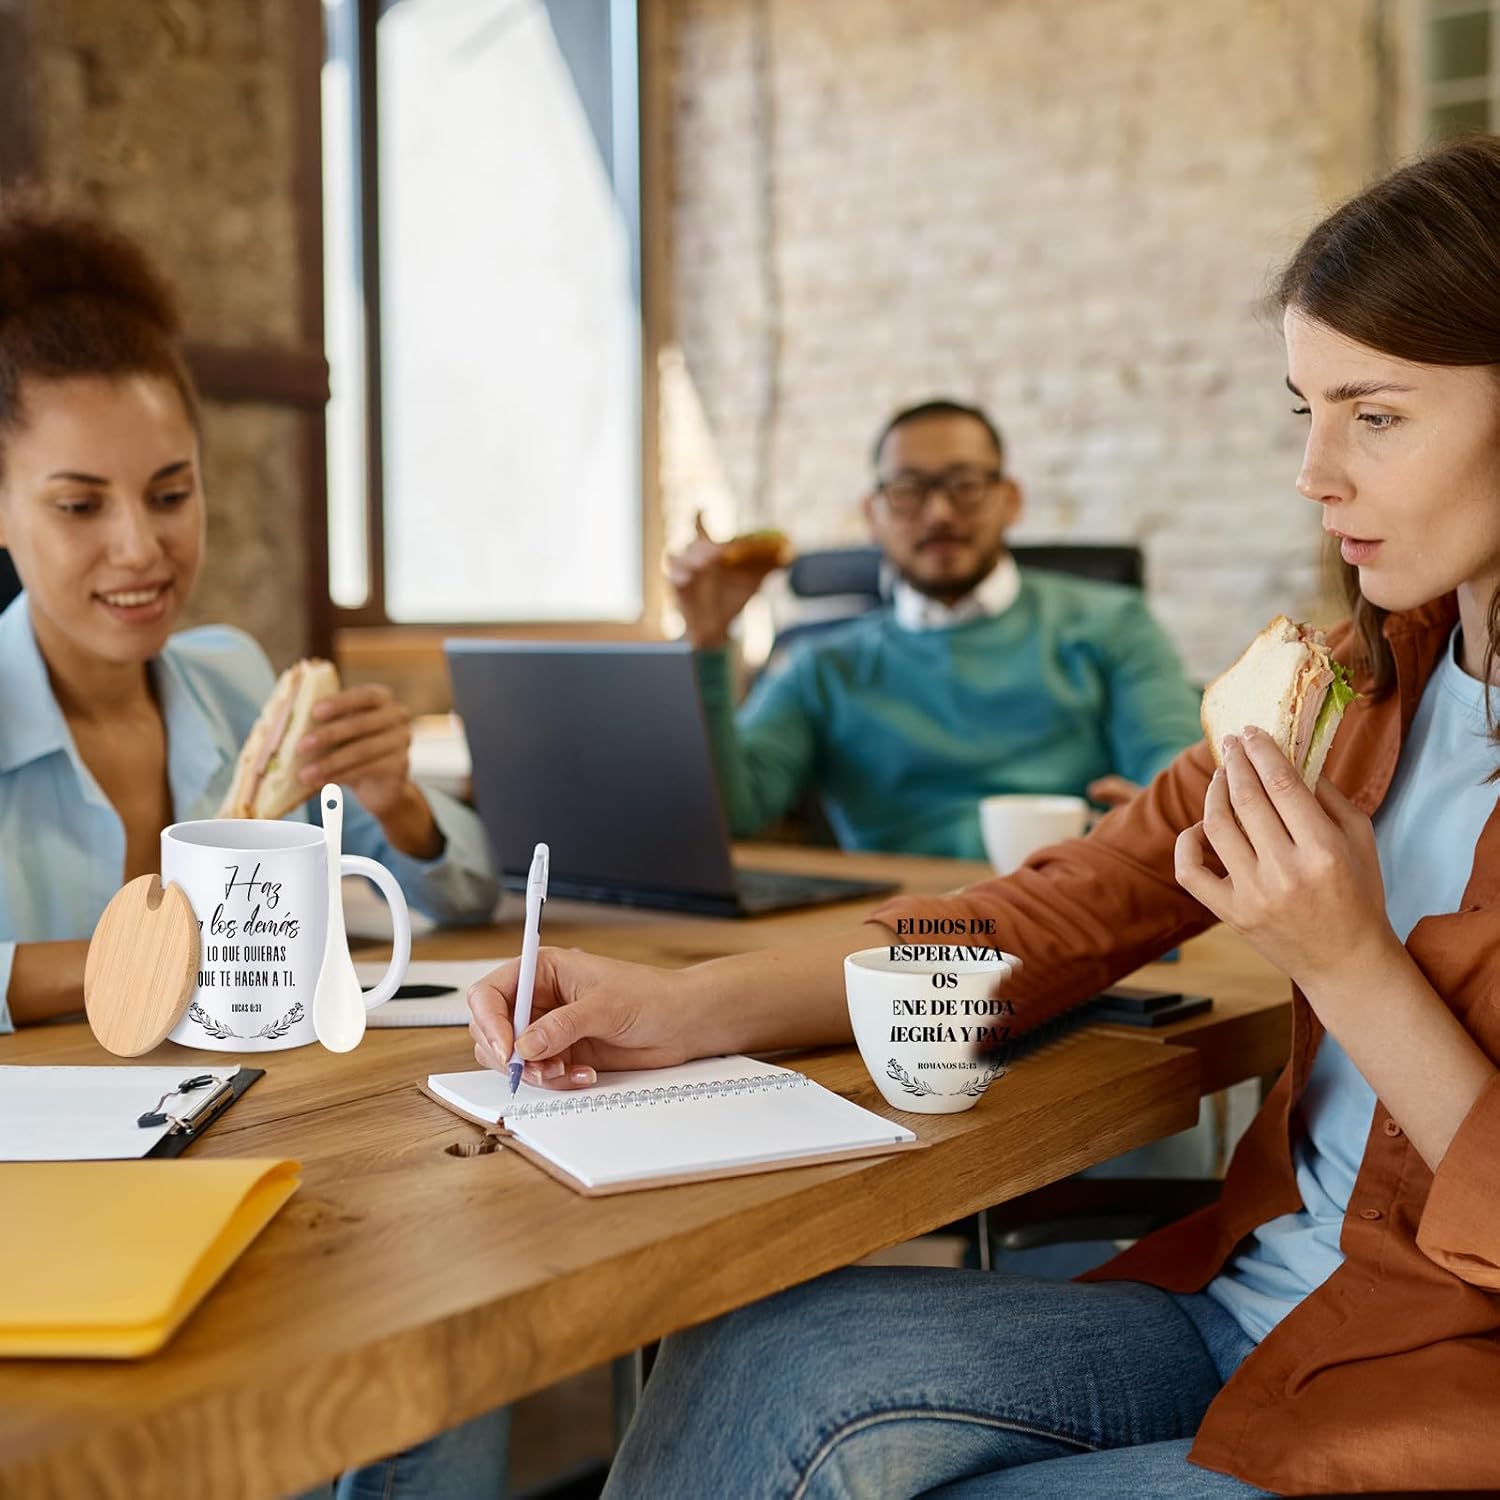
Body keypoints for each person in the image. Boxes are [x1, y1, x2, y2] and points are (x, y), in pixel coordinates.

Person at [468, 137, 1500, 1495]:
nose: (1315, 473)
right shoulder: (1351, 694)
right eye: (1300, 411)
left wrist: (1351, 964)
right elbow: (1056, 910)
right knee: (757, 1352)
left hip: (1431, 1400)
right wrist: (681, 1006)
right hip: (1254, 1308)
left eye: (1375, 415)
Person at [0, 198, 509, 1499]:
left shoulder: (232, 680)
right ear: (4, 511)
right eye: (79, 505)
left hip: (275, 1155)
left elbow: (453, 900)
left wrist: (396, 805)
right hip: (47, 1225)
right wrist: (133, 962)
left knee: (449, 1336)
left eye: (172, 494)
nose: (141, 548)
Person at [670, 399, 1202, 858]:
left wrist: (1157, 817)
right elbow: (732, 813)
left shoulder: (1114, 622)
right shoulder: (821, 666)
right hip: (887, 933)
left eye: (965, 485)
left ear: (1009, 500)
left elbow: (1171, 765)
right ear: (873, 514)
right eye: (908, 489)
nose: (940, 512)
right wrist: (707, 644)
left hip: (1065, 904)